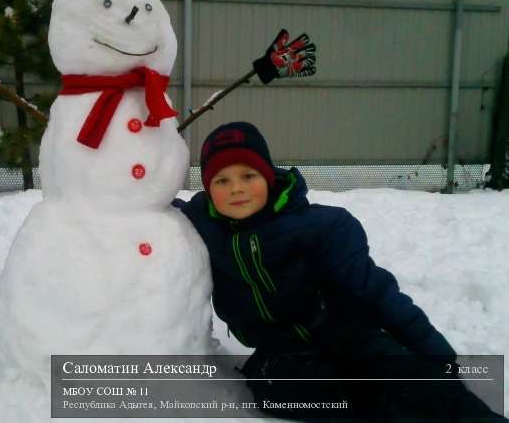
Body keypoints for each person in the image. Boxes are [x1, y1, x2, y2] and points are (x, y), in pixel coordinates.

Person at [172, 121, 506, 422]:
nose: (236, 188)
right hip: (283, 354)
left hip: (351, 336)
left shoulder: (322, 227)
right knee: (272, 389)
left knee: (407, 381)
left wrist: (436, 354)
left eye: (248, 175)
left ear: (268, 177)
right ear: (208, 188)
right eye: (222, 179)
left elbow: (377, 294)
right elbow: (150, 204)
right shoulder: (205, 226)